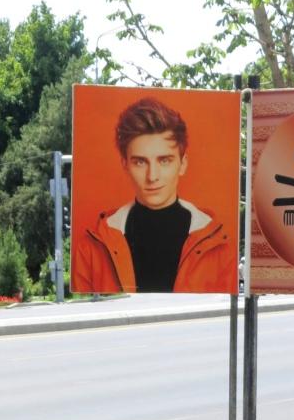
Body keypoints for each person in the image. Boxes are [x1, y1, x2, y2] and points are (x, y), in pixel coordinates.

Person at [73, 97, 235, 293]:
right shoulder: (91, 248)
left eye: (164, 161)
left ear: (182, 164)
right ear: (125, 165)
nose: (152, 176)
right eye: (140, 162)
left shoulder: (219, 249)